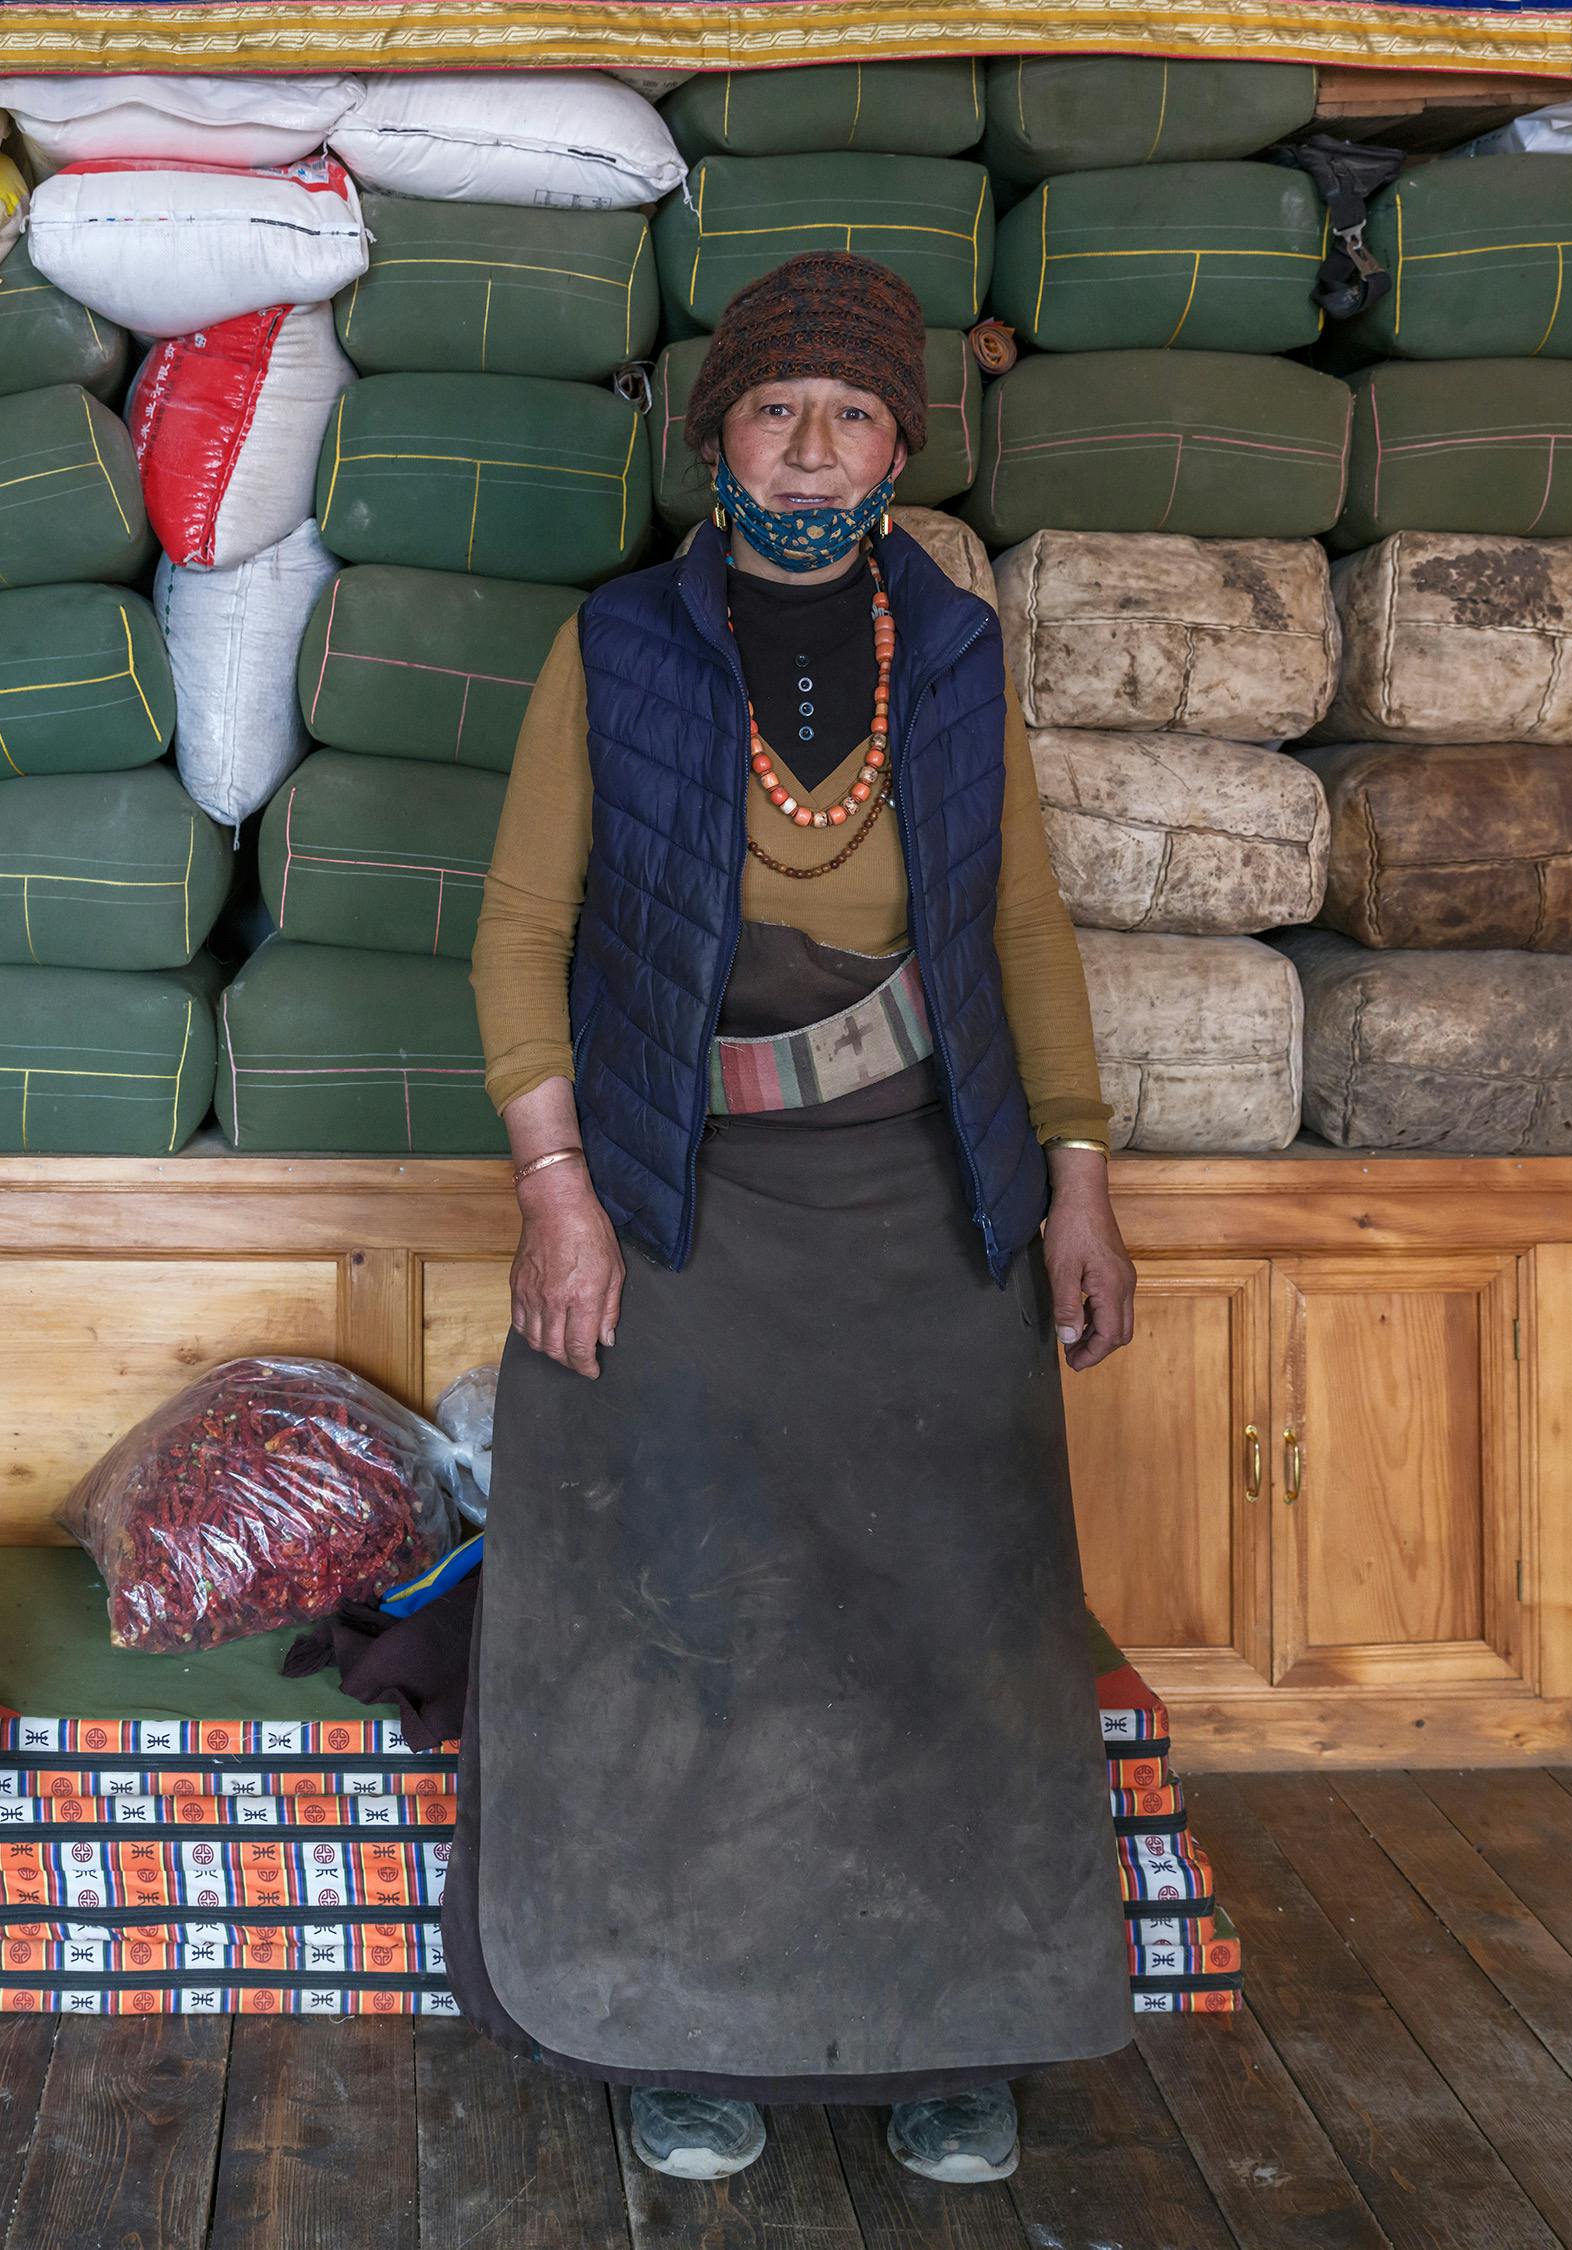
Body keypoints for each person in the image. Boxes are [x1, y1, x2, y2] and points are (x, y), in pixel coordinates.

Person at [445, 250, 1139, 2187]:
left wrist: (1078, 1177)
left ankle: (956, 2032)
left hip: (925, 1191)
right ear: (719, 435)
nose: (813, 451)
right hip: (678, 1196)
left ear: (901, 446)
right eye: (776, 412)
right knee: (688, 1619)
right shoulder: (625, 650)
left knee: (949, 1619)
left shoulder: (956, 650)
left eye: (851, 419)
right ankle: (682, 2027)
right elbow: (520, 933)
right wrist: (561, 1195)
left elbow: (1018, 928)